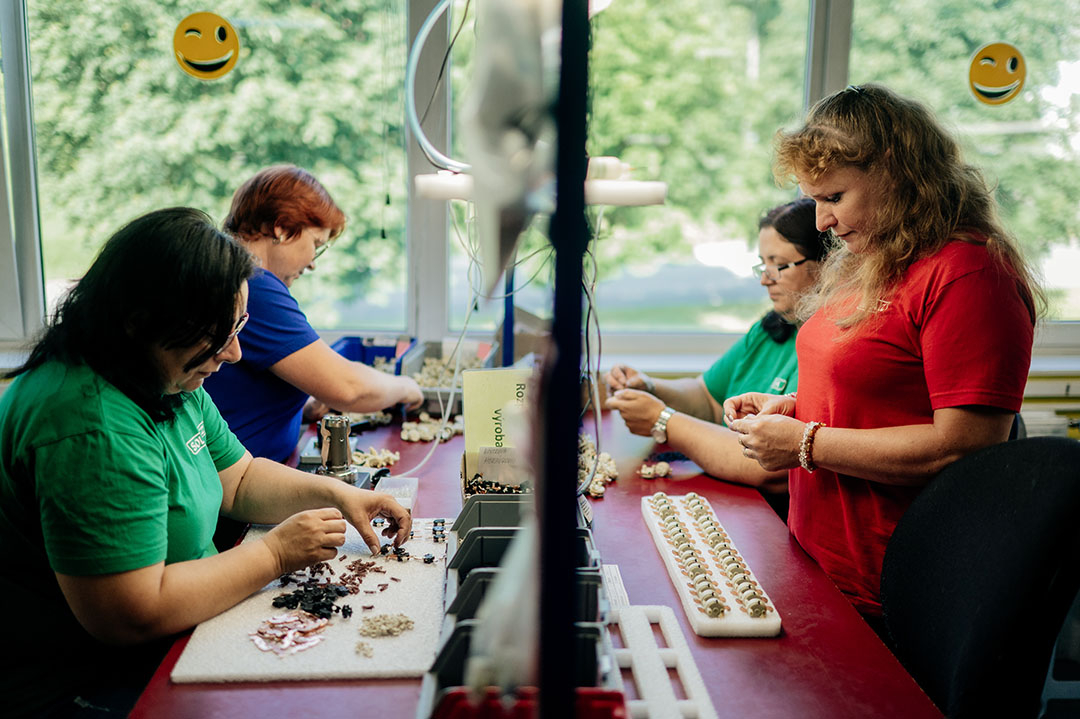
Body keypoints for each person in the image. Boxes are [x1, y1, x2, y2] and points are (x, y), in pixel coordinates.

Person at [0, 208, 412, 717]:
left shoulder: (165, 372)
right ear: (145, 323)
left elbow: (239, 479)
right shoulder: (92, 425)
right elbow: (133, 614)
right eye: (218, 334)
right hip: (77, 681)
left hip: (163, 641)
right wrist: (275, 555)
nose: (235, 353)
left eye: (238, 326)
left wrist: (335, 492)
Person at [724, 84, 1042, 628]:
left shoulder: (966, 273)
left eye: (834, 198)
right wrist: (796, 409)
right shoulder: (871, 259)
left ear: (896, 175)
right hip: (818, 555)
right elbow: (884, 395)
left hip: (894, 580)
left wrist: (805, 442)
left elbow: (963, 445)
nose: (821, 221)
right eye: (815, 200)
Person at [604, 197, 829, 519]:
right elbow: (708, 398)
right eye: (762, 266)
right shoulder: (772, 328)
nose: (765, 279)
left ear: (826, 262)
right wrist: (651, 388)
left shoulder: (826, 346)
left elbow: (770, 468)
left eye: (777, 265)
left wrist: (663, 420)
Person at [204, 165, 423, 465]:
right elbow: (347, 388)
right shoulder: (254, 284)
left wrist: (300, 409)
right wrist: (407, 388)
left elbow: (240, 389)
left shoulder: (239, 276)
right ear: (281, 228)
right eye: (316, 244)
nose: (313, 264)